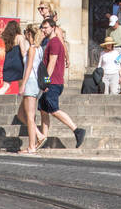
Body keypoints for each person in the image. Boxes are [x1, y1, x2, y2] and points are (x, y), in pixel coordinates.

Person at [37, 17, 86, 149]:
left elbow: (51, 64)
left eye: (46, 27)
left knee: (53, 109)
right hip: (53, 82)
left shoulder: (54, 43)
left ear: (53, 28)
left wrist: (45, 83)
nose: (44, 30)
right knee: (43, 109)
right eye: (42, 27)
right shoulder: (52, 42)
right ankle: (43, 139)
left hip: (53, 82)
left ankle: (77, 130)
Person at [17, 23, 43, 153]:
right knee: (21, 114)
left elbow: (28, 68)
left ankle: (32, 146)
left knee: (29, 116)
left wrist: (23, 85)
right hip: (35, 83)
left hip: (31, 83)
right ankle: (39, 135)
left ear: (29, 34)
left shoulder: (32, 49)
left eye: (25, 32)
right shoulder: (39, 49)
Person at [0, 19, 27, 94]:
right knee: (21, 85)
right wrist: (27, 63)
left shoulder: (7, 39)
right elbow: (23, 52)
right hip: (18, 64)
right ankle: (22, 103)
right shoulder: (20, 37)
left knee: (5, 86)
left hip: (8, 63)